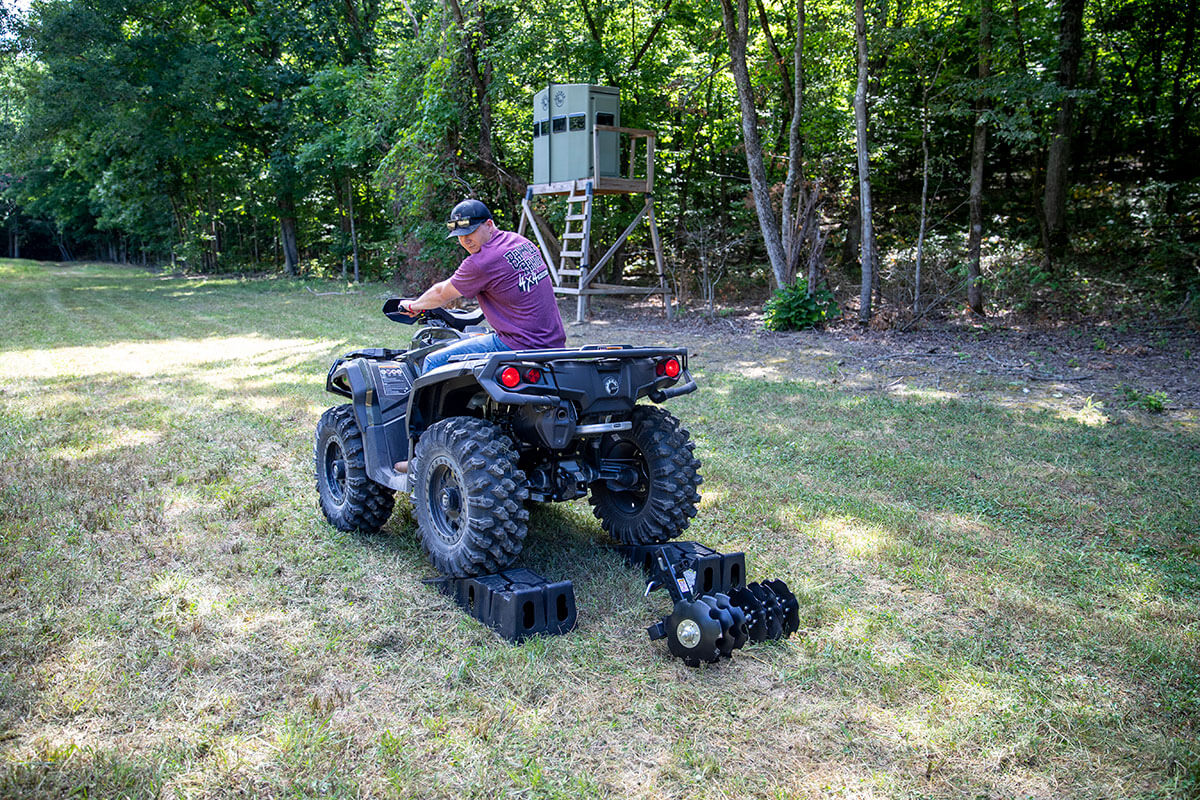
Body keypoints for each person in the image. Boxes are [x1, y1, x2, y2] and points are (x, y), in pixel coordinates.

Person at [396, 198, 566, 374]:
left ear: (489, 225)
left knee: (434, 360)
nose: (465, 240)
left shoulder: (482, 261)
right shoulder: (521, 242)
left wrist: (413, 305)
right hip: (553, 342)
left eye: (470, 232)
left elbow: (441, 293)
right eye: (460, 236)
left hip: (519, 344)